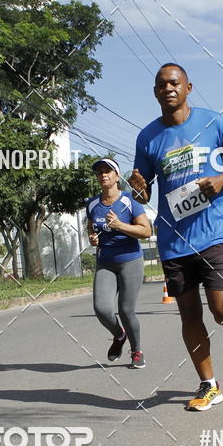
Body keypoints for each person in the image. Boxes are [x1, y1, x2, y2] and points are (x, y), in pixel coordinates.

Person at [130, 62, 223, 412]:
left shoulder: (214, 123)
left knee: (222, 309)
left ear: (188, 87)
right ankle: (209, 385)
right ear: (155, 92)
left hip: (214, 233)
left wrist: (221, 180)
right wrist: (138, 190)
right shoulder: (148, 138)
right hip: (173, 240)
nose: (168, 88)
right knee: (189, 316)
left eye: (174, 82)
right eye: (161, 84)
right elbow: (143, 195)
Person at [87, 158, 151, 368]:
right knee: (101, 308)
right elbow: (91, 227)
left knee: (125, 310)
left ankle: (137, 350)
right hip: (105, 262)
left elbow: (146, 231)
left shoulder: (129, 200)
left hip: (130, 260)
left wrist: (120, 225)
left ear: (116, 176)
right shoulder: (92, 204)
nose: (103, 175)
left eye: (108, 171)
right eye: (100, 173)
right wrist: (93, 237)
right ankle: (119, 335)